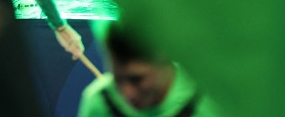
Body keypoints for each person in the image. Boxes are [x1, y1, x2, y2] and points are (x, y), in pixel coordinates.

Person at [77, 20, 219, 117]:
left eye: (137, 79)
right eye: (117, 78)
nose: (127, 93)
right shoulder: (99, 101)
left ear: (165, 61)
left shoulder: (210, 101)